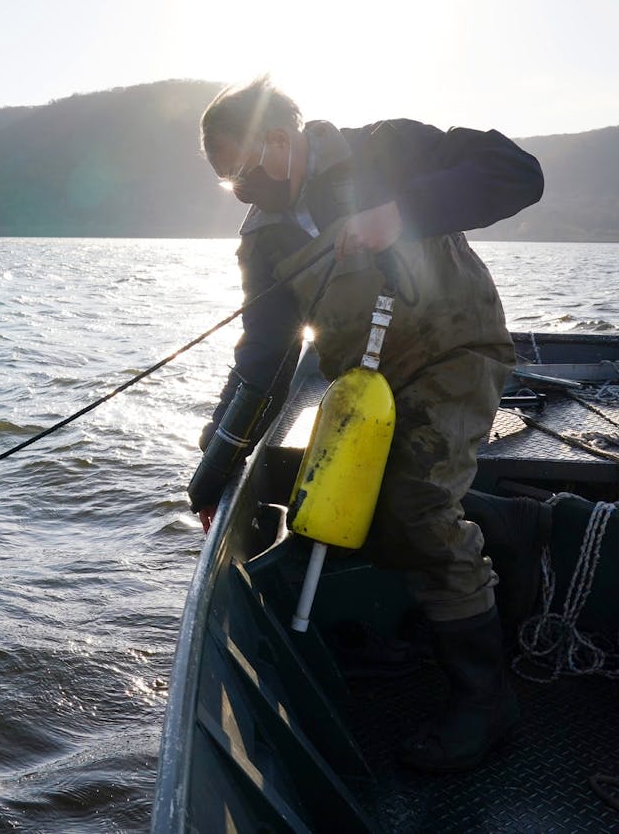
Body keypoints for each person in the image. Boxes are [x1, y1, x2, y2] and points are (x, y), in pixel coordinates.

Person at [196, 76, 544, 772]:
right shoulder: (261, 244)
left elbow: (520, 174)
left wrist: (401, 212)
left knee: (414, 505)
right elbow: (264, 362)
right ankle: (506, 525)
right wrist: (212, 472)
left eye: (242, 169)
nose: (239, 189)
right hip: (369, 390)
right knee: (337, 505)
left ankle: (486, 700)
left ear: (278, 138)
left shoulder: (386, 149)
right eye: (225, 179)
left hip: (458, 350)